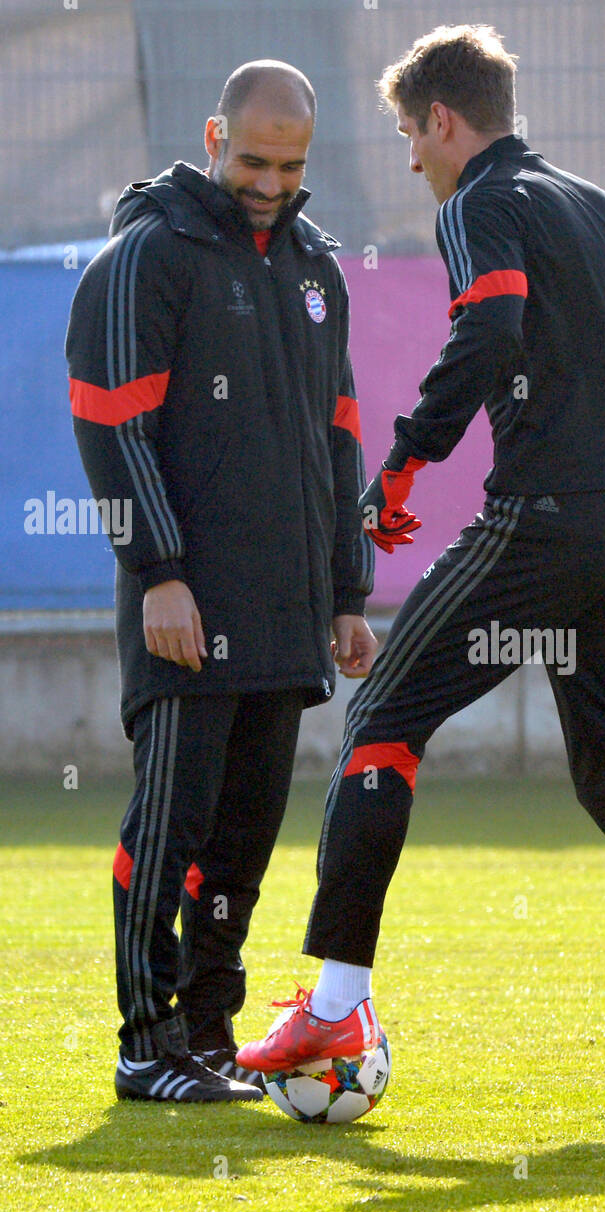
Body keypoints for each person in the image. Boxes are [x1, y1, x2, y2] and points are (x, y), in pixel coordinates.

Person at [238, 25, 605, 1126]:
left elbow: (490, 330)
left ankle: (336, 1004)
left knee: (381, 727)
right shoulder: (598, 206)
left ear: (445, 122)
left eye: (412, 135)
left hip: (550, 517)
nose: (412, 159)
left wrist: (405, 458)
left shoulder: (478, 206)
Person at [66, 60, 377, 1102]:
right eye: (251, 159)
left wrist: (346, 589)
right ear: (212, 136)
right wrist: (157, 572)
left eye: (288, 166)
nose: (269, 182)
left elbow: (335, 438)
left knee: (240, 843)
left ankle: (208, 1033)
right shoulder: (144, 257)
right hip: (186, 607)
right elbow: (111, 430)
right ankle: (143, 1042)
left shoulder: (313, 271)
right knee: (170, 823)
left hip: (285, 612)